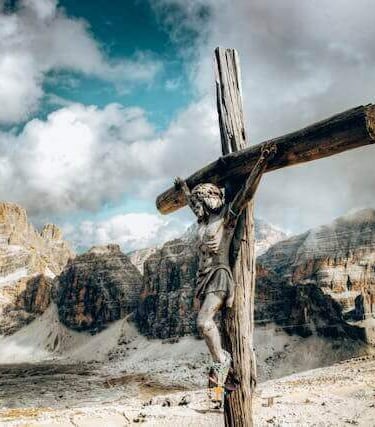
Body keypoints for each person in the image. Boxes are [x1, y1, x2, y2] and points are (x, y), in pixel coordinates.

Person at [174, 142, 276, 388]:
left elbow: (246, 195)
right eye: (199, 202)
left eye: (204, 199)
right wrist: (185, 189)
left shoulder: (226, 218)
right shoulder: (203, 219)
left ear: (212, 198)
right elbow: (191, 203)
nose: (200, 205)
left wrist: (261, 163)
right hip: (203, 276)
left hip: (220, 274)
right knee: (203, 323)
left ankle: (222, 362)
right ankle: (222, 365)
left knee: (203, 322)